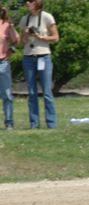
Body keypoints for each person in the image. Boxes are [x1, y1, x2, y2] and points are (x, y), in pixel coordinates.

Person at [19, 0, 58, 129]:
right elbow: (22, 42)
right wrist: (25, 34)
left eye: (30, 1)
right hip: (28, 57)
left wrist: (40, 37)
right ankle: (34, 124)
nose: (27, 3)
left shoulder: (47, 17)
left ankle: (51, 123)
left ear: (37, 3)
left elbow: (55, 37)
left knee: (47, 91)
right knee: (31, 92)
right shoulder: (25, 19)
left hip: (43, 56)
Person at [0, 5, 19, 130]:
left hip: (3, 63)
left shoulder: (7, 25)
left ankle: (9, 123)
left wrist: (11, 50)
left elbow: (16, 40)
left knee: (6, 94)